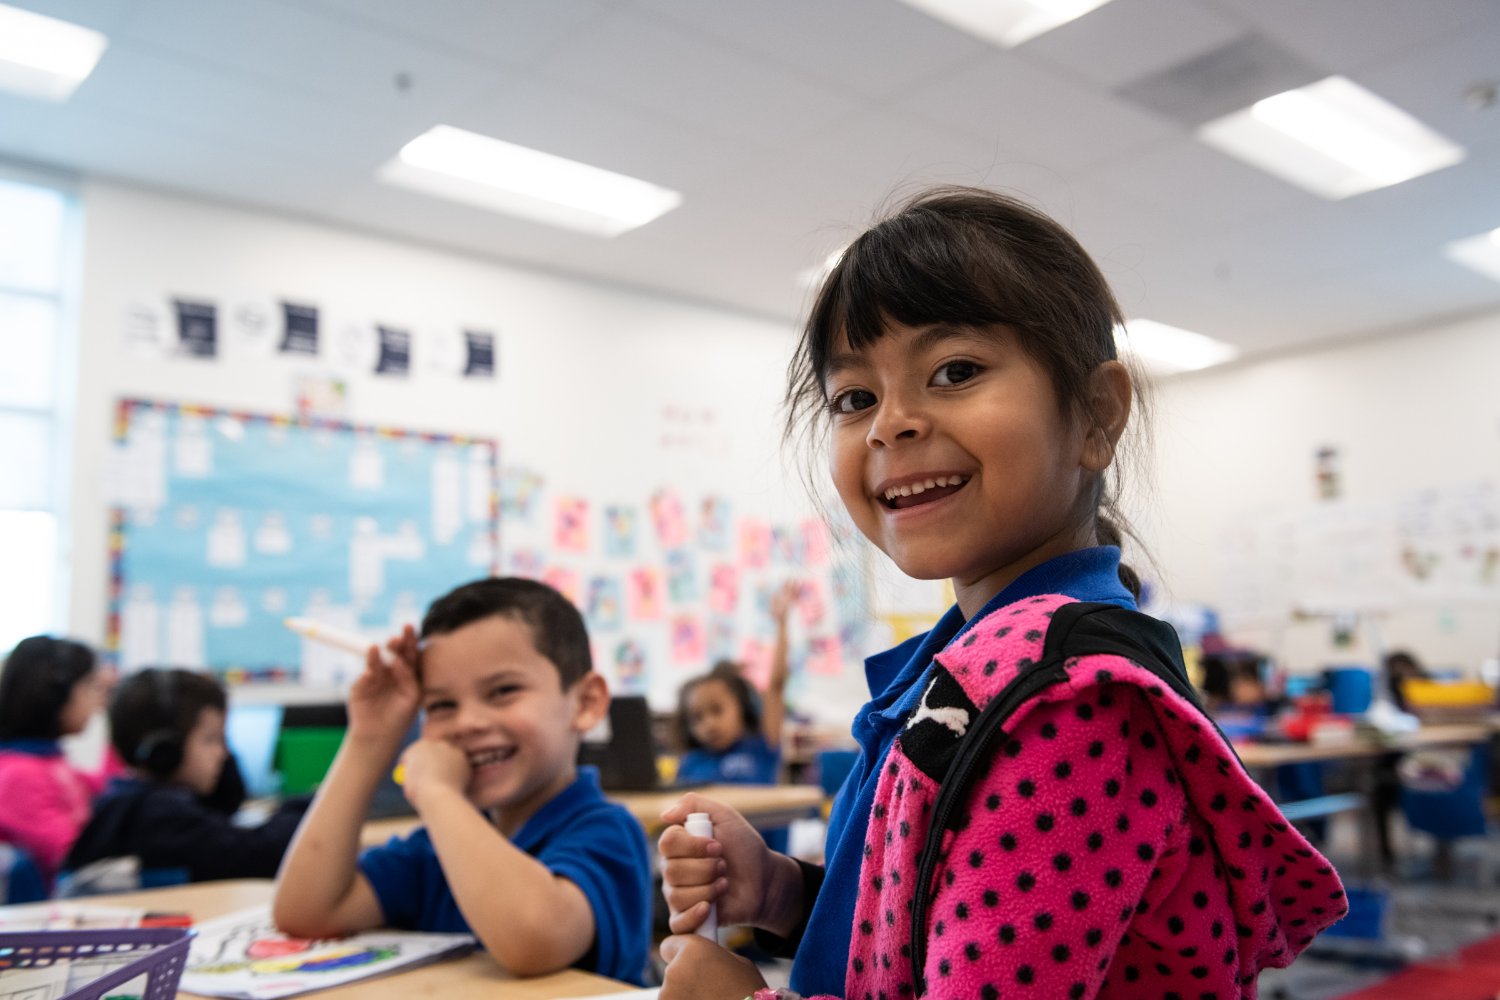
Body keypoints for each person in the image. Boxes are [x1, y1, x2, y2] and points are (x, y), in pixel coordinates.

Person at [654, 187, 1346, 999]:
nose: (890, 425)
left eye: (954, 371)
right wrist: (781, 892)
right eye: (855, 398)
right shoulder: (972, 666)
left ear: (1095, 415)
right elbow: (916, 937)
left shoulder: (1065, 706)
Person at [272, 577, 652, 985]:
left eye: (503, 690)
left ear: (586, 702)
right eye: (441, 705)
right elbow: (305, 911)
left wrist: (437, 791)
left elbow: (533, 938)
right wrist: (368, 742)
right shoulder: (436, 848)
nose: (467, 723)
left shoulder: (607, 831)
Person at [60, 668, 307, 893]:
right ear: (165, 751)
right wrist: (323, 806)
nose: (222, 753)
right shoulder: (156, 815)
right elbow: (258, 854)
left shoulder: (133, 798)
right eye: (211, 739)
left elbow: (226, 806)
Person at [0, 636, 116, 889]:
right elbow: (75, 856)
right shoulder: (19, 775)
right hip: (36, 918)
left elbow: (112, 791)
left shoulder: (50, 762)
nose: (97, 701)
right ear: (55, 692)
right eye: (90, 687)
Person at [674, 579, 799, 786]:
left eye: (717, 710)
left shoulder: (762, 745)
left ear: (741, 707)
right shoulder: (691, 763)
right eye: (697, 718)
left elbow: (776, 687)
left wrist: (782, 624)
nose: (709, 724)